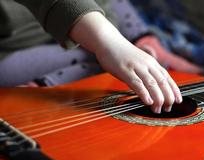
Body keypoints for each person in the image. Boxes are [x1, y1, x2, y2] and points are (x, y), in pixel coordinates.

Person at [0, 0, 182, 114]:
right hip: (10, 49)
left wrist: (129, 43)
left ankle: (150, 44)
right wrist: (111, 43)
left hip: (61, 31)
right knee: (102, 57)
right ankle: (41, 89)